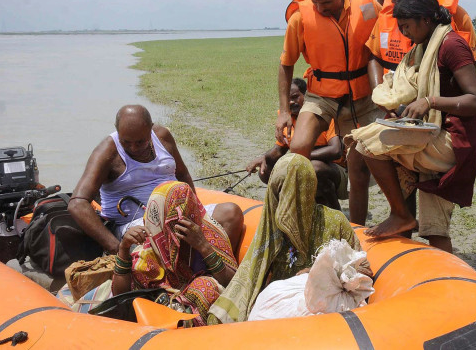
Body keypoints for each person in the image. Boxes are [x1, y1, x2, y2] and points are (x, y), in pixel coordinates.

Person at [349, 0, 476, 252]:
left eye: (407, 26)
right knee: (435, 231)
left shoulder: (452, 45)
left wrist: (430, 102)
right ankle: (440, 283)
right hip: (431, 134)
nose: (404, 33)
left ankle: (400, 214)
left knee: (364, 143)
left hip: (450, 142)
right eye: (400, 26)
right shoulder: (422, 48)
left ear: (426, 18)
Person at [207, 153, 370, 324]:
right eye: (282, 194)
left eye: (293, 195)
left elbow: (363, 270)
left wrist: (318, 272)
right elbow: (249, 278)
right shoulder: (271, 228)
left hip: (324, 316)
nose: (288, 204)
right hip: (276, 310)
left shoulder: (335, 222)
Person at [277, 0, 380, 226]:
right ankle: (292, 218)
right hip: (321, 94)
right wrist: (285, 113)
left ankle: (357, 229)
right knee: (297, 150)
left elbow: (378, 52)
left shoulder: (367, 7)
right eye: (315, 2)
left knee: (357, 167)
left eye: (325, 1)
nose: (320, 8)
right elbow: (286, 64)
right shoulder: (301, 17)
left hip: (360, 98)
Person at [69, 105, 244, 255]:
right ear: (117, 130)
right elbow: (77, 203)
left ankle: (217, 271)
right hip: (136, 225)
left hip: (175, 214)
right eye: (126, 142)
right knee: (165, 233)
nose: (134, 148)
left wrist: (194, 211)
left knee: (231, 213)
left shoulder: (162, 137)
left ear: (150, 129)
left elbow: (182, 175)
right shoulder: (107, 151)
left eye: (140, 142)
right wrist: (116, 248)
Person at [112, 181, 238, 326]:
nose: (177, 225)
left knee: (205, 287)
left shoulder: (207, 234)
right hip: (158, 308)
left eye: (185, 215)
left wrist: (204, 247)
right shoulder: (149, 245)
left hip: (195, 305)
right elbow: (120, 296)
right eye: (172, 220)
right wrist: (123, 249)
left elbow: (235, 285)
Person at [246, 78, 347, 210]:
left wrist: (298, 157)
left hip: (336, 171)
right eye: (287, 100)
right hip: (303, 164)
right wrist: (263, 158)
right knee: (267, 170)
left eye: (295, 97)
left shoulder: (324, 114)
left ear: (306, 95)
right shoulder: (287, 120)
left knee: (314, 168)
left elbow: (335, 150)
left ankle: (336, 212)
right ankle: (295, 210)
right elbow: (278, 151)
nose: (291, 102)